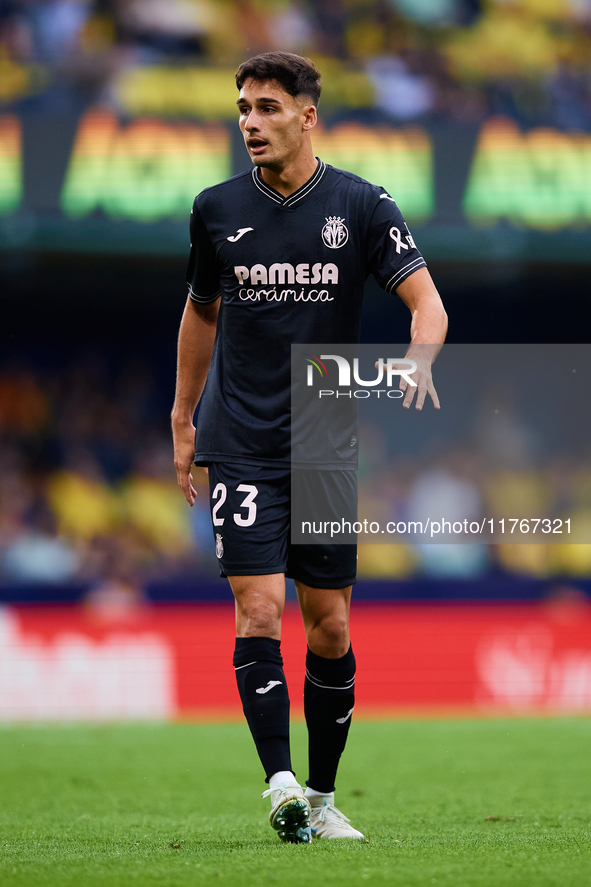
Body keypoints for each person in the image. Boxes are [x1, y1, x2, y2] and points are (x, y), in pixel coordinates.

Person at [171, 51, 447, 844]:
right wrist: (183, 417)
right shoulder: (215, 209)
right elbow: (200, 312)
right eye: (242, 108)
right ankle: (280, 781)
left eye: (265, 107)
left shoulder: (361, 204)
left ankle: (322, 796)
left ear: (305, 116)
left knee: (328, 627)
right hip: (243, 439)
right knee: (257, 608)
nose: (250, 121)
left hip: (324, 443)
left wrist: (418, 357)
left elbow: (427, 305)